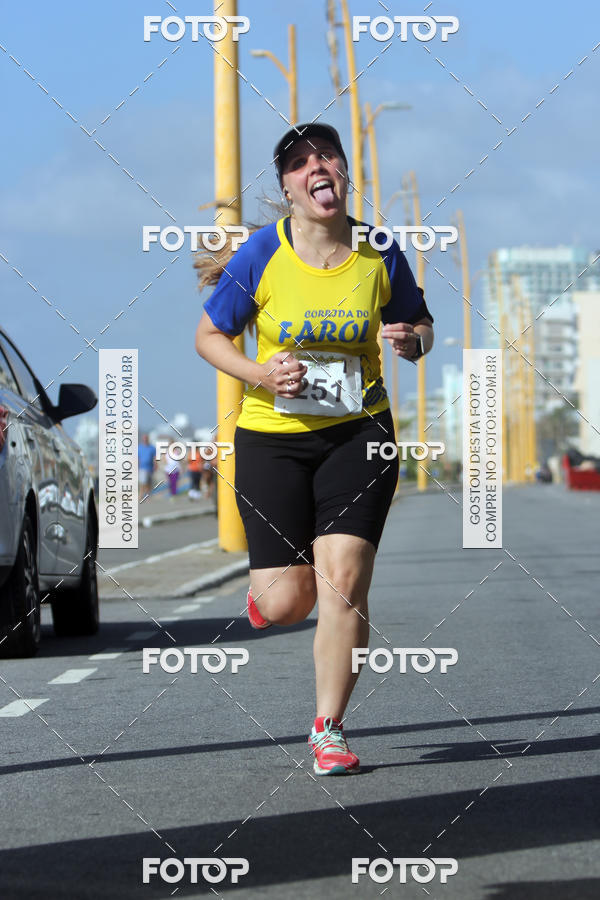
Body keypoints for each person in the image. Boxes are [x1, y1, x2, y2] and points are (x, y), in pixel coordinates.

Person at [195, 123, 434, 775]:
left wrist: (412, 342)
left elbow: (420, 322)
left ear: (344, 171)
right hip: (273, 440)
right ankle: (267, 594)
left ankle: (328, 727)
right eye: (301, 163)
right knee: (287, 603)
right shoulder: (260, 256)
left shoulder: (379, 251)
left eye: (326, 155)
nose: (316, 166)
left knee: (345, 584)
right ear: (288, 187)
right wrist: (262, 374)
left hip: (361, 435)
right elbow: (211, 336)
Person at [138, 433, 156, 501]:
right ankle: (141, 495)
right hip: (142, 467)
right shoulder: (139, 448)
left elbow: (154, 458)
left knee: (149, 483)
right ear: (142, 439)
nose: (145, 440)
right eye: (144, 438)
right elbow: (138, 458)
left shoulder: (152, 448)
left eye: (146, 438)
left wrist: (155, 465)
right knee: (143, 482)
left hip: (150, 468)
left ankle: (148, 495)